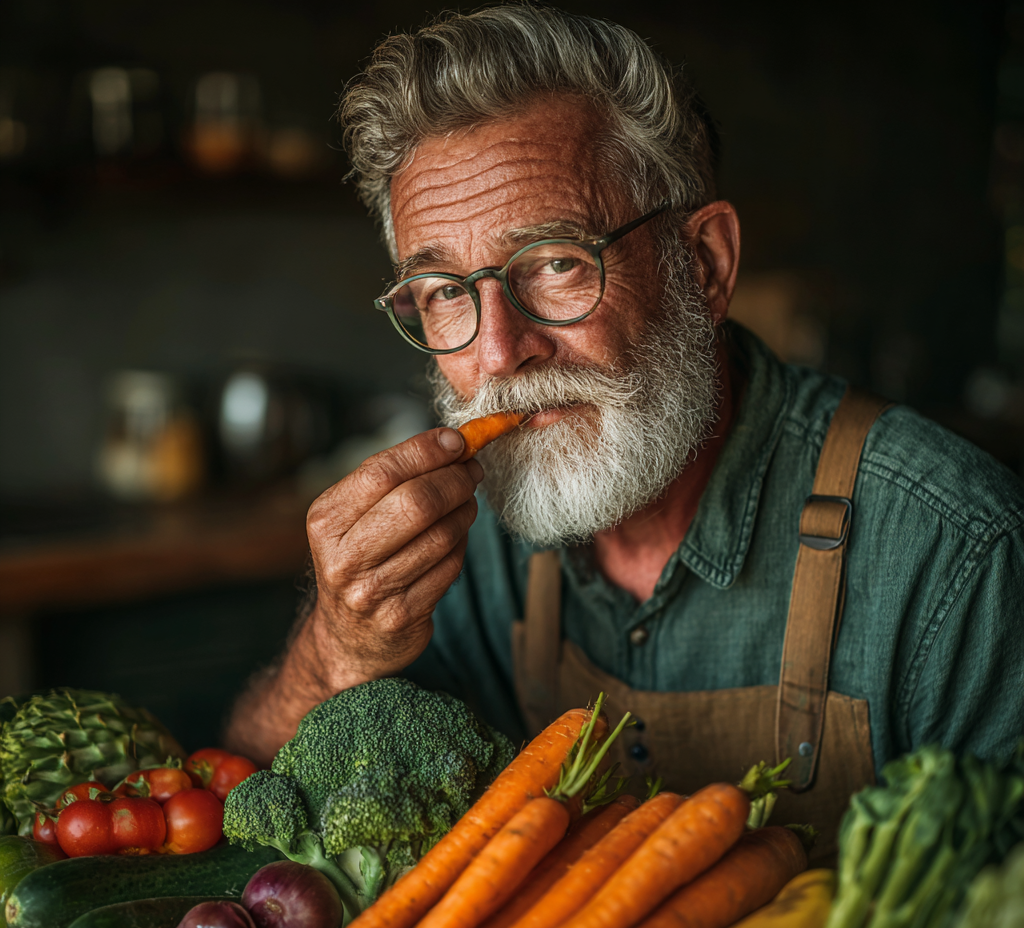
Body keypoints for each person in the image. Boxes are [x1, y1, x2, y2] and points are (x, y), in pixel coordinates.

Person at [225, 5, 1024, 858]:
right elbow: (246, 798)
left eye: (557, 263)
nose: (500, 354)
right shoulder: (464, 539)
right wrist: (333, 651)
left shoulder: (959, 554)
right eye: (446, 291)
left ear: (705, 265)